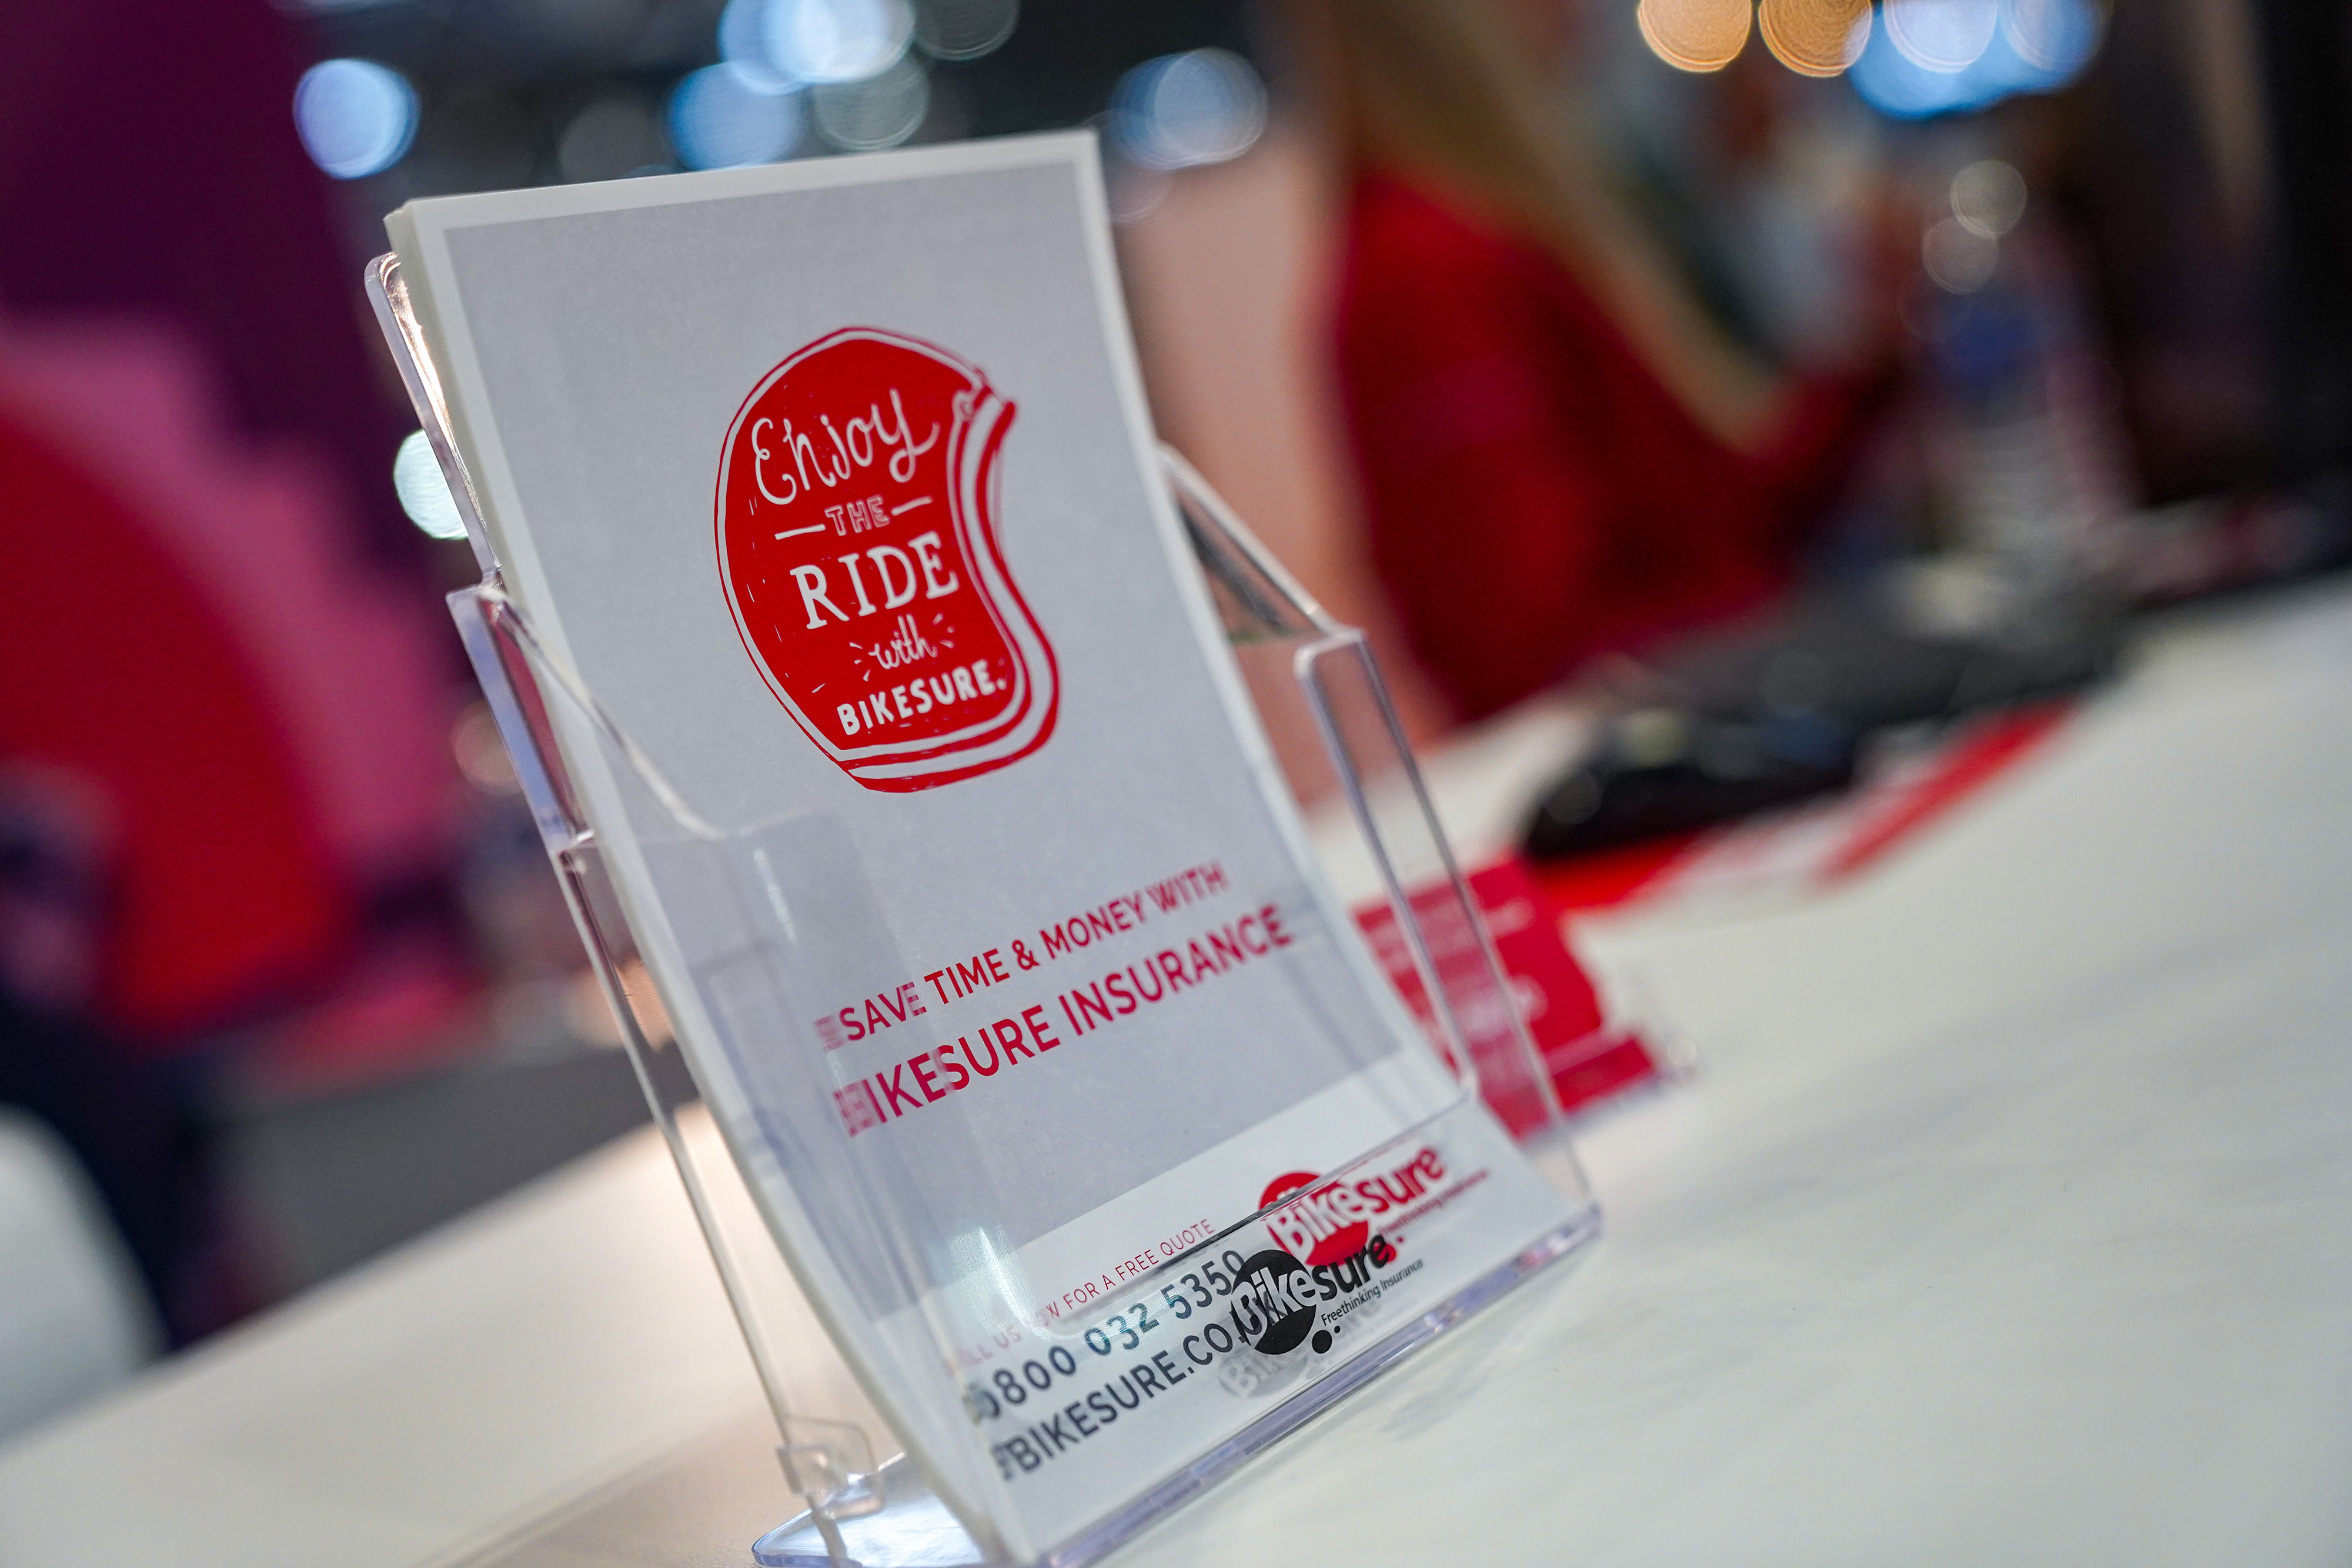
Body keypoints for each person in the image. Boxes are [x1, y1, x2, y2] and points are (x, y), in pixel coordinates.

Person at [1295, 0, 1903, 721]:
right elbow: (1534, 652)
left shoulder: (1507, 224)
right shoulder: (1422, 271)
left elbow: (1714, 529)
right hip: (1692, 738)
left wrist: (1870, 359)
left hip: (1729, 707)